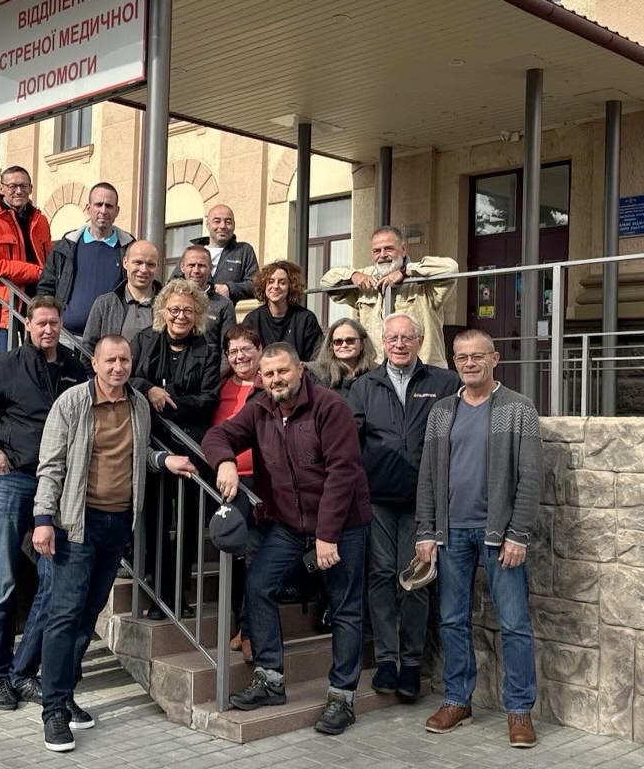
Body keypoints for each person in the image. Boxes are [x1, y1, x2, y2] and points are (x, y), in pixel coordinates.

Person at [30, 335, 195, 752]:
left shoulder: (138, 404)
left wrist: (164, 460)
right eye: (110, 361)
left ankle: (66, 693)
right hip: (76, 525)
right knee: (64, 615)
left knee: (88, 615)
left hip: (118, 524)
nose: (118, 367)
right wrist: (43, 520)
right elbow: (51, 465)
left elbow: (139, 454)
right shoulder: (72, 403)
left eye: (124, 360)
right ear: (95, 363)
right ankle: (53, 710)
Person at [202, 343, 372, 736]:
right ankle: (270, 679)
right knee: (259, 586)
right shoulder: (260, 408)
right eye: (269, 374)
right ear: (261, 379)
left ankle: (342, 697)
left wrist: (327, 535)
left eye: (283, 371)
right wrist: (225, 461)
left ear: (300, 370)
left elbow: (342, 473)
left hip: (342, 525)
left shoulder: (330, 407)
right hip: (288, 524)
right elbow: (218, 435)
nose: (276, 379)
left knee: (345, 607)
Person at [0, 296, 90, 712]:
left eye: (54, 322)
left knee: (53, 581)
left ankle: (23, 671)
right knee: (2, 583)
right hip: (14, 479)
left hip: (58, 484)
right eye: (41, 322)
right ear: (27, 325)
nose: (48, 329)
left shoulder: (74, 368)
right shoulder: (7, 366)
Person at [415, 328, 543, 748]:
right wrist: (426, 531)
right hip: (450, 534)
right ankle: (457, 700)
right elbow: (428, 475)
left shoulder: (518, 408)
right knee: (452, 620)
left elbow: (530, 477)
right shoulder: (442, 412)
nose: (469, 363)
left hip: (498, 534)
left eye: (477, 356)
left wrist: (517, 534)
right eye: (462, 357)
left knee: (514, 624)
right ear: (454, 363)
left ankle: (519, 710)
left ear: (494, 359)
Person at [346, 313, 458, 701]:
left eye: (406, 338)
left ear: (419, 341)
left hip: (422, 500)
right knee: (380, 576)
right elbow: (350, 439)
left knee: (415, 580)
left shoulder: (443, 383)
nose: (399, 344)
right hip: (377, 499)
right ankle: (386, 660)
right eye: (392, 338)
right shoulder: (364, 385)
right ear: (383, 341)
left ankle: (411, 663)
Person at [128, 279, 220, 620]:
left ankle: (178, 593)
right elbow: (127, 377)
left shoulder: (208, 349)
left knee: (187, 527)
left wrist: (170, 401)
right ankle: (159, 593)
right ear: (163, 311)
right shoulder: (145, 340)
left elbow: (208, 400)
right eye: (175, 309)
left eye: (188, 311)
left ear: (197, 315)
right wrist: (149, 389)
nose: (180, 316)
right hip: (152, 445)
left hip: (190, 446)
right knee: (154, 523)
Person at [319, 226, 457, 367]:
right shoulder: (367, 277)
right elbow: (326, 282)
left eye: (389, 249)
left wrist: (404, 273)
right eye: (377, 251)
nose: (383, 255)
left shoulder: (421, 279)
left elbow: (451, 268)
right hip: (377, 370)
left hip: (423, 371)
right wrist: (352, 275)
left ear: (403, 250)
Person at [213, 325, 263, 660]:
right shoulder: (220, 384)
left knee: (254, 556)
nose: (240, 356)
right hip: (227, 483)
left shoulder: (268, 384)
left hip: (260, 482)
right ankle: (239, 626)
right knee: (234, 554)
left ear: (259, 350)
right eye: (233, 351)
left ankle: (249, 630)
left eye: (246, 349)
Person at [0, 166, 53, 353]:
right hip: (2, 304)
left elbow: (48, 260)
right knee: (7, 360)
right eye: (12, 186)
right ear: (1, 188)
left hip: (36, 301)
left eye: (24, 186)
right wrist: (34, 272)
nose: (19, 191)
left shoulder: (39, 219)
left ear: (31, 188)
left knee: (38, 358)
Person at [38, 182, 135, 336]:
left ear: (117, 211)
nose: (103, 211)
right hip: (67, 337)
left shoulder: (129, 249)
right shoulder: (66, 247)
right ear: (88, 208)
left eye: (109, 206)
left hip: (110, 340)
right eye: (98, 204)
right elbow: (46, 289)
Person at [80, 240, 161, 355]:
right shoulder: (104, 304)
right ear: (125, 263)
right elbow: (87, 350)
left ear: (157, 267)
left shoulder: (168, 306)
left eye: (150, 265)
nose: (143, 270)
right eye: (138, 263)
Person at [169, 204, 260, 303]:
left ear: (234, 225)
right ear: (207, 224)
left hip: (228, 311)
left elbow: (256, 285)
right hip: (193, 310)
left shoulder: (243, 251)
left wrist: (230, 289)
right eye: (217, 221)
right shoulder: (192, 252)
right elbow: (171, 284)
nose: (223, 226)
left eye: (228, 222)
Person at [241, 260, 322, 363]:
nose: (275, 286)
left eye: (282, 283)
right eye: (270, 282)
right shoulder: (252, 320)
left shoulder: (306, 319)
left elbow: (316, 360)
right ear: (264, 285)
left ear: (291, 287)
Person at [177, 243, 236, 354]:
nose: (196, 270)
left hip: (210, 364)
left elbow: (228, 348)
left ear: (210, 268)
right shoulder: (170, 301)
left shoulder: (224, 305)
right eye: (191, 265)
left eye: (201, 265)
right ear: (182, 267)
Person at [308, 318, 377, 397]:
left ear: (362, 344)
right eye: (338, 341)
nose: (344, 345)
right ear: (331, 346)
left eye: (350, 340)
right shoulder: (318, 376)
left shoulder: (376, 375)